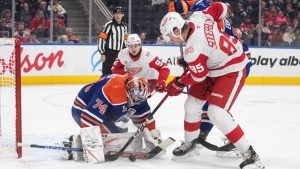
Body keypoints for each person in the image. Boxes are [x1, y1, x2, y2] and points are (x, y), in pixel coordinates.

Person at [160, 2, 265, 169]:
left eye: (170, 37)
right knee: (192, 103)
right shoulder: (198, 16)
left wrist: (179, 83)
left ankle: (251, 156)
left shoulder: (192, 49)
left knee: (216, 112)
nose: (171, 41)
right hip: (214, 65)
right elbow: (222, 6)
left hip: (232, 68)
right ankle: (192, 143)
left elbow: (198, 75)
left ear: (177, 30)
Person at [64, 74, 163, 161]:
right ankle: (74, 142)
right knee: (104, 139)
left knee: (117, 137)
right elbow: (89, 119)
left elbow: (143, 117)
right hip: (83, 108)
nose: (138, 101)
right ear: (128, 91)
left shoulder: (138, 94)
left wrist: (152, 133)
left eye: (141, 99)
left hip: (107, 113)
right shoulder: (112, 91)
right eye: (136, 98)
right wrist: (92, 145)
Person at [97, 6, 128, 76]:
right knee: (106, 73)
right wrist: (102, 53)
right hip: (109, 53)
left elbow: (125, 41)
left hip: (120, 54)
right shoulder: (109, 25)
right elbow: (101, 38)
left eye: (120, 14)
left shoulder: (124, 27)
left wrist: (126, 53)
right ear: (113, 15)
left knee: (119, 73)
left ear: (123, 15)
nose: (118, 15)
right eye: (116, 13)